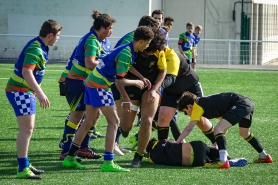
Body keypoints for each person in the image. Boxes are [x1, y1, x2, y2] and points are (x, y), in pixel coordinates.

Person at [62, 26, 154, 172]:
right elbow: (120, 80)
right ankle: (108, 162)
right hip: (99, 85)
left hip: (92, 82)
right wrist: (136, 82)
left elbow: (126, 67)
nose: (148, 46)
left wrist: (141, 77)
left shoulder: (129, 48)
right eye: (148, 43)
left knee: (88, 121)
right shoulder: (127, 53)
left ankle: (70, 158)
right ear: (142, 41)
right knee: (114, 121)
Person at [5, 19, 62, 179]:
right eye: (57, 35)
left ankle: (25, 163)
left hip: (25, 91)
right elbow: (26, 72)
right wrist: (40, 92)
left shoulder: (40, 46)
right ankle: (22, 168)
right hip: (20, 91)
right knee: (26, 129)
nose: (58, 38)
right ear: (50, 35)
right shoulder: (36, 49)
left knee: (29, 128)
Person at [60, 10, 115, 161]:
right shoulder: (91, 39)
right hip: (78, 82)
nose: (111, 32)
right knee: (77, 115)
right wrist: (107, 64)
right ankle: (66, 150)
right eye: (110, 28)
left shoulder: (99, 40)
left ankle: (83, 147)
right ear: (103, 28)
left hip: (88, 83)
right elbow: (90, 63)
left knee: (94, 114)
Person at [176, 91, 273, 169]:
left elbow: (189, 128)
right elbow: (224, 128)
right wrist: (217, 143)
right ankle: (264, 156)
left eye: (185, 112)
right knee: (244, 133)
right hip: (248, 103)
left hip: (240, 104)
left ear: (189, 106)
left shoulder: (197, 106)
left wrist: (177, 142)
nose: (188, 114)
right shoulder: (208, 104)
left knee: (217, 129)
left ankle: (223, 161)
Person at [115, 28, 167, 166]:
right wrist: (140, 78)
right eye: (147, 48)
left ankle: (138, 156)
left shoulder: (159, 51)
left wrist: (154, 89)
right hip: (132, 85)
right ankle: (124, 131)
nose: (148, 51)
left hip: (151, 88)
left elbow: (163, 70)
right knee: (126, 126)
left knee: (147, 120)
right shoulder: (134, 49)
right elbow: (127, 67)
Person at [146, 138, 248, 167]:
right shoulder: (160, 142)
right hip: (197, 147)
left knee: (210, 160)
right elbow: (173, 141)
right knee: (211, 150)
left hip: (194, 162)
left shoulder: (152, 159)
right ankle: (226, 158)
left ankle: (225, 162)